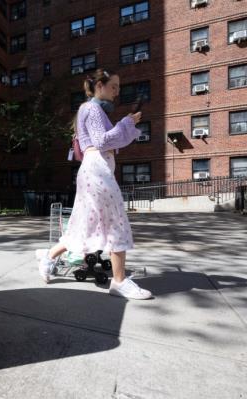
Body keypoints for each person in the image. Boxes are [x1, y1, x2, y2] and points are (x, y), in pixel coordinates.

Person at [36, 68, 153, 300]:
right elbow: (102, 141)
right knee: (116, 221)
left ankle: (48, 256)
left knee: (84, 224)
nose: (117, 92)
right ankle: (119, 282)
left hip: (94, 170)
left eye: (118, 88)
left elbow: (109, 142)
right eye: (113, 87)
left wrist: (124, 126)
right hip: (97, 169)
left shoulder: (91, 110)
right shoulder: (91, 108)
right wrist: (125, 123)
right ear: (99, 86)